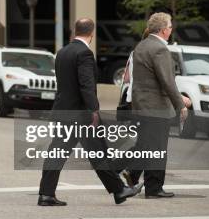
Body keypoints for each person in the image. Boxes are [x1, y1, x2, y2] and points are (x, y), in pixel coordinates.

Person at [38, 18, 143, 206]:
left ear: (75, 31)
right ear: (92, 33)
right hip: (82, 114)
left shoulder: (62, 52)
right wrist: (94, 109)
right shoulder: (84, 53)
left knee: (57, 153)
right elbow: (86, 85)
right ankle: (119, 190)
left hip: (64, 112)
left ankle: (46, 194)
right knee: (99, 153)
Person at [127, 13, 191, 198]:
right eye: (170, 26)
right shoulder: (159, 49)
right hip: (156, 107)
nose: (171, 29)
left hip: (142, 105)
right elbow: (167, 81)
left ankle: (132, 174)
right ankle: (154, 189)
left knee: (147, 145)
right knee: (157, 149)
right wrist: (180, 104)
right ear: (164, 30)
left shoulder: (142, 45)